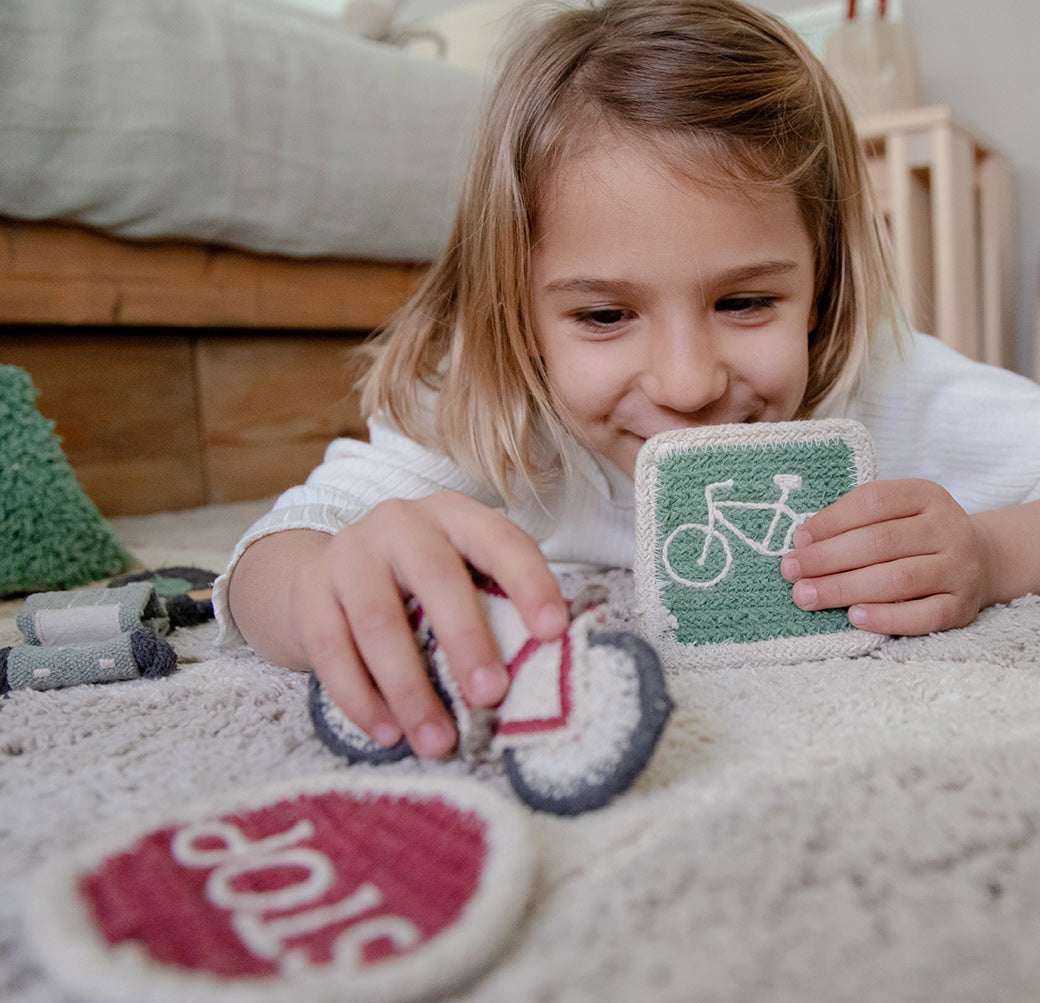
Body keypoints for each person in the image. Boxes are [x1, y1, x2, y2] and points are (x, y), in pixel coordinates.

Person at [216, 0, 1040, 761]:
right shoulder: (487, 399)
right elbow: (270, 556)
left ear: (823, 288)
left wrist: (994, 554)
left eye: (747, 302)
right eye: (605, 317)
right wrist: (321, 589)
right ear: (517, 315)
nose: (687, 386)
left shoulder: (891, 387)